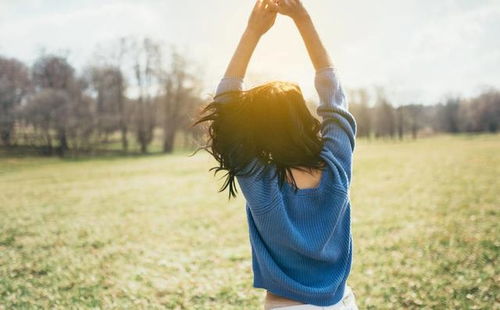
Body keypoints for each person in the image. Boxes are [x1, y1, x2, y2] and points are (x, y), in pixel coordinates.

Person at [194, 0, 358, 309]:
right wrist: (303, 20)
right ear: (305, 117)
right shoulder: (337, 164)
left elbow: (224, 108)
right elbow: (333, 93)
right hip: (341, 303)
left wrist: (252, 32)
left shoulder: (260, 181)